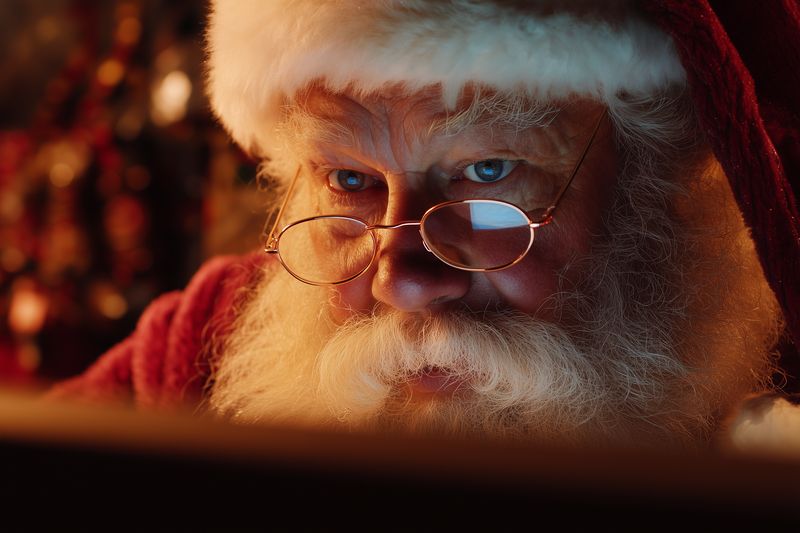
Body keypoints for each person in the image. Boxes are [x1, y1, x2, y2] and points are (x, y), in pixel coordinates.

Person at [48, 0, 800, 453]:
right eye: (349, 180)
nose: (402, 277)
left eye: (486, 170)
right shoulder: (201, 352)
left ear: (652, 188)